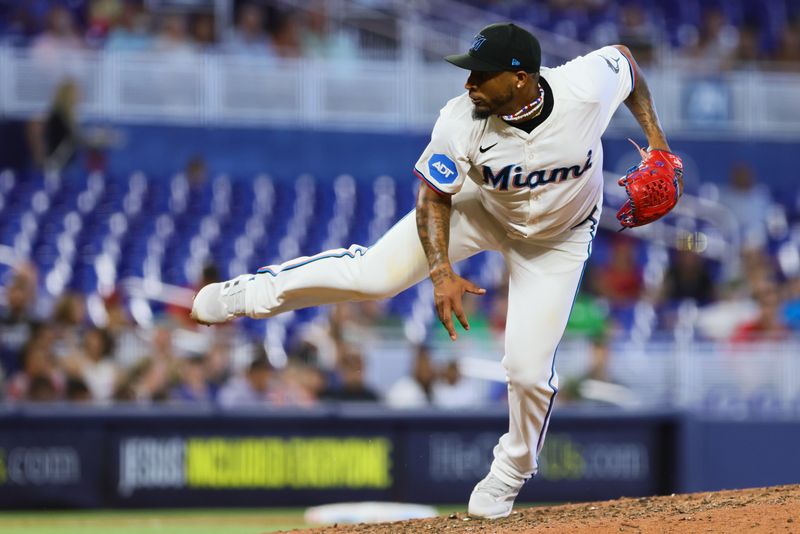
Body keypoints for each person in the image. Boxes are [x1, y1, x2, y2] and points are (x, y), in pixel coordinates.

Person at [192, 22, 677, 519]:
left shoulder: (583, 85)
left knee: (529, 372)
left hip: (559, 239)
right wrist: (442, 272)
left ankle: (511, 471)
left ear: (519, 78)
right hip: (481, 210)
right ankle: (253, 293)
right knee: (374, 276)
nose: (469, 85)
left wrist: (657, 145)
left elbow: (627, 63)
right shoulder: (459, 120)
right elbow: (433, 196)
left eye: (480, 75)